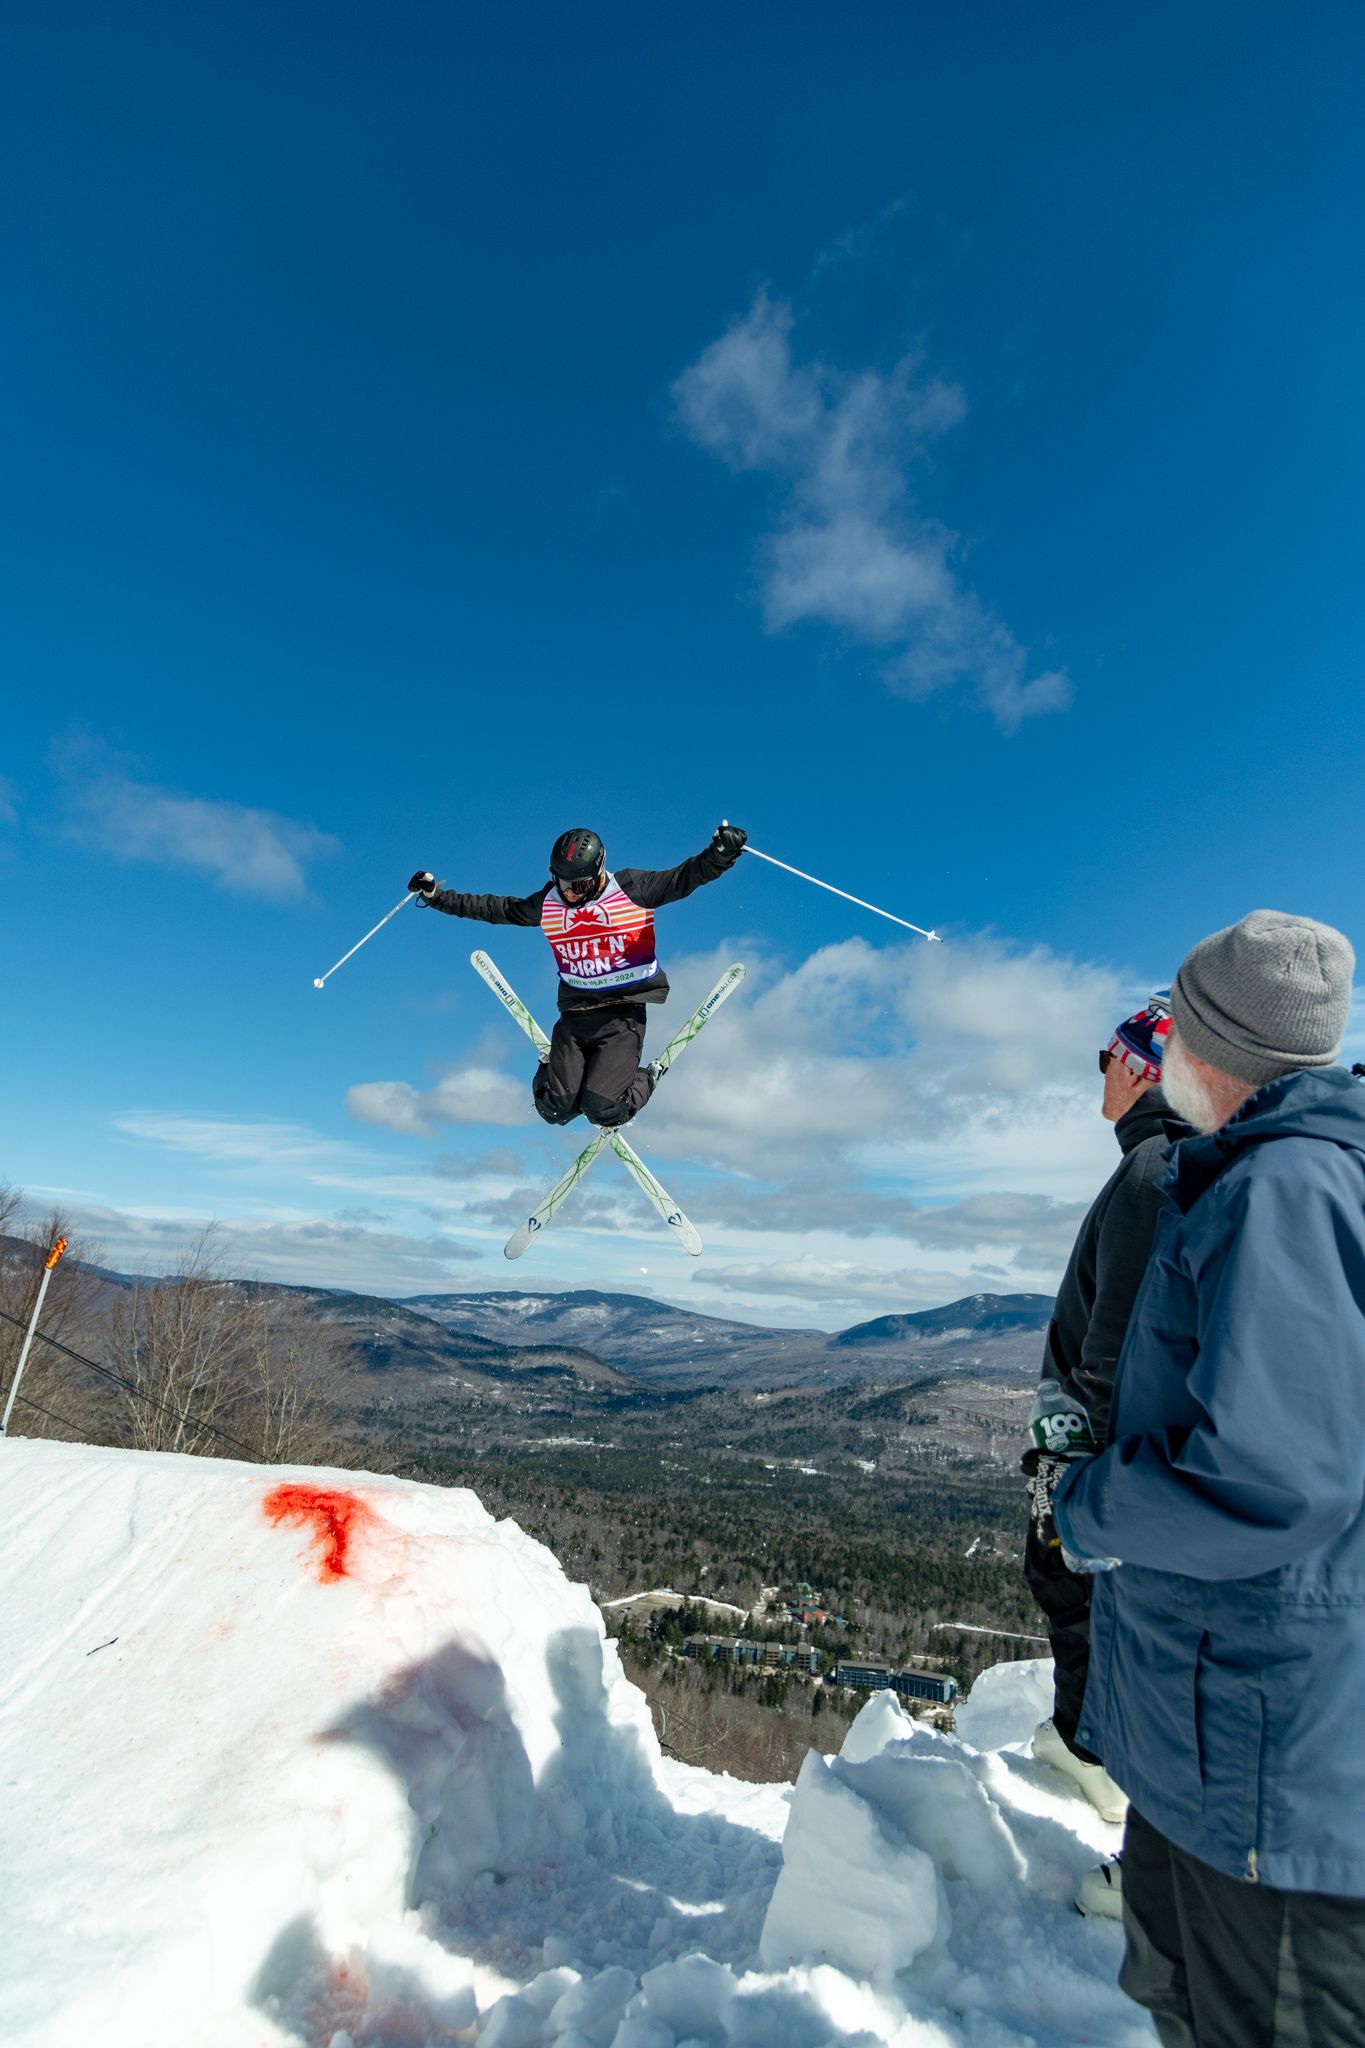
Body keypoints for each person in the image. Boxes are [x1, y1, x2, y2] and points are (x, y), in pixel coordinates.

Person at [1043, 910, 1365, 2046]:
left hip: (1269, 1760)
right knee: (1184, 2000)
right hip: (1213, 1742)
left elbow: (1275, 1478)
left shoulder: (1283, 1190)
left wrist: (1085, 1505)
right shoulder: (1243, 1178)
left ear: (1205, 1046)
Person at [1024, 995, 1193, 1917]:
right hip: (1126, 1464)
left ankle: (1104, 1768)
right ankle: (1087, 1749)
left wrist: (1077, 1467)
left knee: (1097, 1606)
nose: (1100, 1070)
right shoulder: (1167, 1165)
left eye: (1108, 1054)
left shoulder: (1152, 1172)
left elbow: (1116, 1351)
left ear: (1140, 1068)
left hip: (1107, 1463)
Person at [407, 823, 746, 1129]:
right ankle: (552, 1062)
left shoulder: (632, 888)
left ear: (599, 871)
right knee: (554, 1110)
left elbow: (687, 876)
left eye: (579, 884)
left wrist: (721, 852)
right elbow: (495, 908)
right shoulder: (549, 903)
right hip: (575, 1012)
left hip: (620, 1013)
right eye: (562, 882)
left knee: (604, 1110)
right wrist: (436, 897)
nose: (569, 893)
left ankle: (647, 1078)